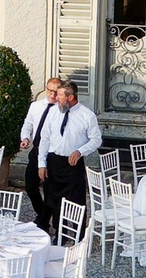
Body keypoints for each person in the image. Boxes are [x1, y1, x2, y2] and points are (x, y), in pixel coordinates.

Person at [36, 80, 102, 242]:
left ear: (70, 97)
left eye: (59, 95)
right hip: (53, 162)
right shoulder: (53, 112)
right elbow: (44, 138)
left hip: (73, 164)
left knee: (77, 201)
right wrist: (41, 164)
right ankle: (59, 235)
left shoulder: (87, 115)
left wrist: (80, 151)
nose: (56, 98)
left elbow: (96, 139)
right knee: (54, 201)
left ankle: (79, 237)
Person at [14, 76, 66, 229]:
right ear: (46, 89)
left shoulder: (62, 110)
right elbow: (28, 124)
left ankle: (45, 223)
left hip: (52, 153)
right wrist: (25, 137)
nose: (53, 95)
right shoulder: (36, 106)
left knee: (50, 189)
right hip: (36, 150)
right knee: (30, 186)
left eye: (56, 92)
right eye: (50, 91)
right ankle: (42, 215)